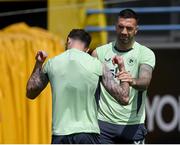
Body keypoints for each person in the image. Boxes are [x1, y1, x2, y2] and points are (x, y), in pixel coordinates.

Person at [26, 29, 130, 144]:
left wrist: (39, 63)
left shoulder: (52, 63)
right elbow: (124, 98)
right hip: (87, 134)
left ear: (68, 40)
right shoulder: (97, 65)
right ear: (87, 50)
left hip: (60, 134)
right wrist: (121, 67)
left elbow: (30, 92)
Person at [92, 9, 156, 144]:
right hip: (103, 124)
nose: (124, 32)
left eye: (129, 28)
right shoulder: (99, 53)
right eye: (121, 27)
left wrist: (130, 80)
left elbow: (145, 81)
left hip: (132, 124)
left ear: (136, 30)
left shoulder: (145, 53)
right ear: (115, 26)